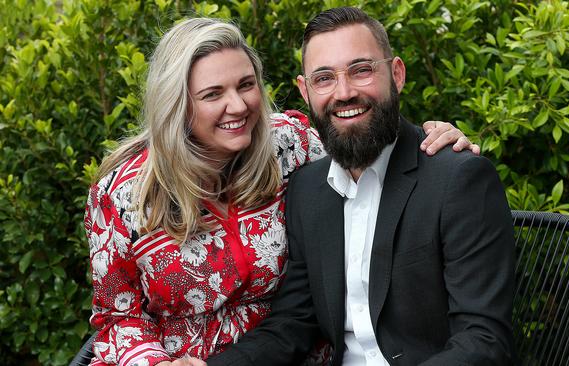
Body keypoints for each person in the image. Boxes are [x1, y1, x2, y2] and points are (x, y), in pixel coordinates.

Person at [84, 17, 476, 366]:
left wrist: (434, 142)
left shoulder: (292, 145)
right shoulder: (123, 196)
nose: (237, 105)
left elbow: (369, 148)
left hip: (294, 348)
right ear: (177, 105)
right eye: (212, 94)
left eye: (246, 85)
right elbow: (117, 317)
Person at [207, 7, 516, 366]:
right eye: (324, 79)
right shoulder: (308, 188)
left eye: (361, 70)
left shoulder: (457, 179)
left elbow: (484, 340)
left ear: (396, 74)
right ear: (305, 92)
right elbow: (294, 322)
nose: (344, 92)